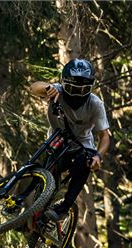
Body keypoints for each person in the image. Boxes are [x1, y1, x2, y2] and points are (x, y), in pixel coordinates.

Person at [29, 58, 111, 221]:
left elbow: (105, 136)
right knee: (46, 176)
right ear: (63, 83)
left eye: (81, 90)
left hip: (82, 145)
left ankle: (64, 208)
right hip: (57, 141)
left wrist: (98, 156)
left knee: (84, 163)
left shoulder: (95, 103)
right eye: (71, 88)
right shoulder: (56, 91)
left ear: (90, 88)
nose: (75, 94)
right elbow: (33, 87)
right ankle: (34, 213)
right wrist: (48, 87)